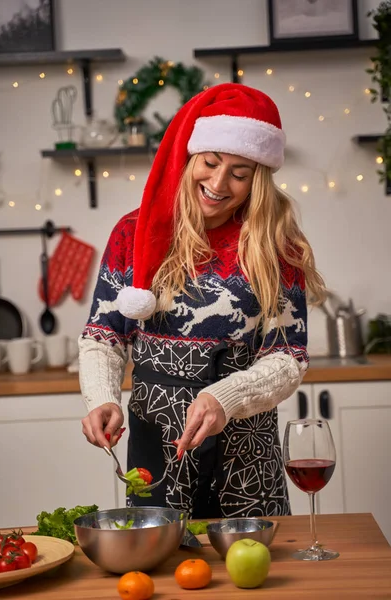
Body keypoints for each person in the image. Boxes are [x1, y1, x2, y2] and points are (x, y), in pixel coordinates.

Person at [79, 83, 325, 519]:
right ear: (191, 158)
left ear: (258, 178)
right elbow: (104, 336)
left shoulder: (276, 243)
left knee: (259, 577)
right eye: (210, 163)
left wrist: (224, 398)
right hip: (156, 445)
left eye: (239, 171)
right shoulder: (132, 233)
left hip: (246, 450)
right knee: (163, 573)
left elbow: (288, 358)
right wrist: (102, 398)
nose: (217, 183)